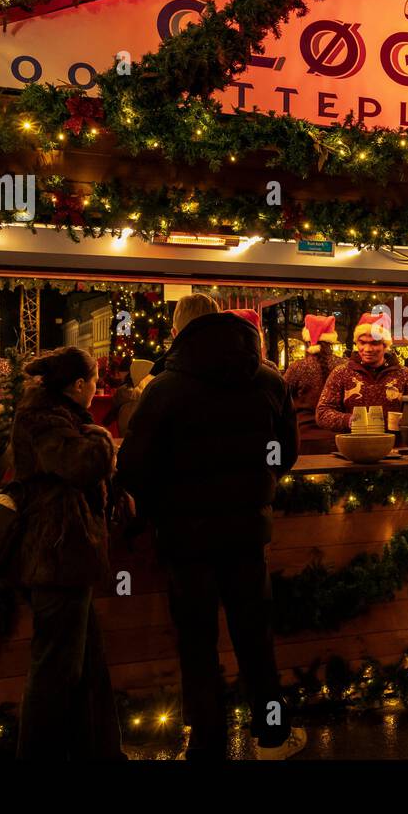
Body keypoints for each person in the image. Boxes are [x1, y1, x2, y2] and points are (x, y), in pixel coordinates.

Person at [117, 297, 304, 760]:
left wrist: (157, 502)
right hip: (247, 531)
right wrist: (260, 483)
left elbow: (135, 467)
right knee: (256, 639)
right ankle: (272, 736)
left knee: (197, 646)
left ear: (180, 331)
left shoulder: (163, 388)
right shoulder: (268, 380)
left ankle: (207, 745)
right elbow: (285, 453)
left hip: (186, 536)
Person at [10, 346, 123, 759]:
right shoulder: (44, 418)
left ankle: (102, 750)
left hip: (68, 558)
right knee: (56, 669)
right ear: (79, 385)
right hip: (56, 556)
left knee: (85, 665)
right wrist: (102, 440)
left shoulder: (54, 413)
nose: (97, 390)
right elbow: (79, 464)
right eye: (94, 382)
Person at [315, 312, 408, 433]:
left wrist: (405, 420)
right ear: (356, 343)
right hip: (353, 447)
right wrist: (348, 420)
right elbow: (323, 413)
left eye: (374, 343)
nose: (367, 349)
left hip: (394, 447)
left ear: (385, 345)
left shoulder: (403, 375)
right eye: (362, 342)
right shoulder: (341, 373)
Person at [283, 314, 345, 454]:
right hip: (339, 439)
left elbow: (282, 399)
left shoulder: (297, 367)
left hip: (303, 438)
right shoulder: (344, 366)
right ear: (332, 340)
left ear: (307, 340)